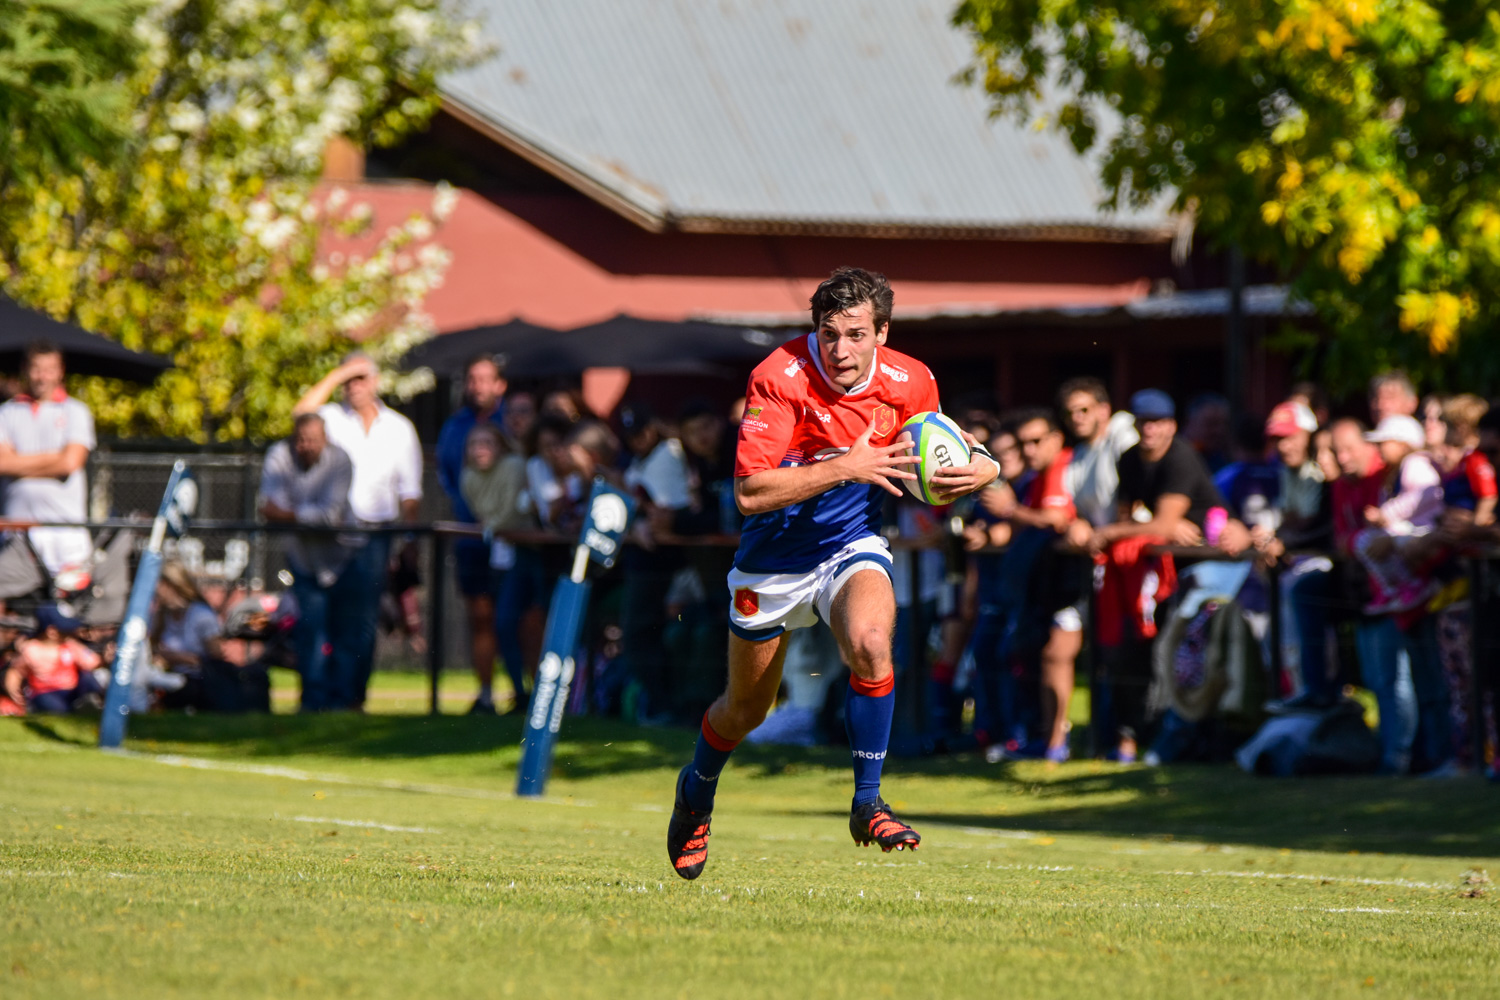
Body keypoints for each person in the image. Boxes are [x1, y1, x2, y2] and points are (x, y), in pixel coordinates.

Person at [666, 267, 999, 879]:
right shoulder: (778, 376)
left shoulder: (912, 379)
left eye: (854, 334)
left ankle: (868, 801)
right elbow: (749, 492)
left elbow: (944, 449)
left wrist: (983, 469)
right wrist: (848, 465)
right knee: (747, 710)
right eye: (828, 333)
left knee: (873, 644)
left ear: (881, 333)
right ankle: (696, 790)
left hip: (850, 546)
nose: (839, 349)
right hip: (770, 564)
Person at [293, 352, 423, 710]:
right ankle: (317, 698)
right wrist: (339, 373)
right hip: (331, 533)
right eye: (350, 380)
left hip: (376, 535)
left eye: (361, 378)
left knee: (362, 621)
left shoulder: (399, 428)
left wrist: (409, 541)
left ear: (377, 382)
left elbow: (409, 492)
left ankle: (352, 697)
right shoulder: (332, 419)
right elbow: (301, 413)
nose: (355, 386)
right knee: (321, 618)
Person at [258, 412, 356, 711]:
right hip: (303, 559)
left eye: (313, 440)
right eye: (300, 439)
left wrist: (291, 515)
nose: (306, 446)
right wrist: (309, 516)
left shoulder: (339, 460)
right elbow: (268, 507)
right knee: (311, 631)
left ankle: (344, 700)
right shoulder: (279, 457)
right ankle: (313, 702)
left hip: (344, 557)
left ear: (325, 440)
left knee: (347, 632)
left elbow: (330, 516)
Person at [436, 354, 509, 716]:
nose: (478, 386)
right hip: (471, 538)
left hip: (511, 539)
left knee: (515, 617)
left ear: (500, 384)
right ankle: (485, 693)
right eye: (472, 379)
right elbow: (448, 475)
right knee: (480, 616)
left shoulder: (510, 421)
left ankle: (525, 693)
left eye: (485, 379)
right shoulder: (454, 427)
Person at [0, 341, 95, 603]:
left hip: (66, 536)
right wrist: (53, 459)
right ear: (25, 370)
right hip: (16, 537)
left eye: (49, 369)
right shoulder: (8, 412)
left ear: (60, 371)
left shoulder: (76, 411)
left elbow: (69, 463)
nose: (42, 376)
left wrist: (18, 463)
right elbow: (1, 463)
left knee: (71, 614)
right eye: (36, 369)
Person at [460, 423, 536, 713]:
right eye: (474, 443)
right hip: (499, 555)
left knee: (518, 624)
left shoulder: (514, 466)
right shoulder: (468, 476)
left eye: (487, 442)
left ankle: (530, 694)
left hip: (527, 553)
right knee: (498, 623)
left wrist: (493, 527)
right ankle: (518, 693)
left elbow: (507, 517)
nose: (480, 449)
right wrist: (493, 527)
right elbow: (488, 517)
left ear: (500, 446)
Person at [1353, 415, 1443, 614]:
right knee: (1364, 541)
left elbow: (1427, 493)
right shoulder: (1394, 472)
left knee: (1389, 540)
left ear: (1403, 444)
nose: (1379, 448)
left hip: (1424, 529)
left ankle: (1413, 584)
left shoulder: (1416, 463)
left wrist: (1386, 515)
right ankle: (1393, 588)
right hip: (1407, 529)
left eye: (1384, 443)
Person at [3, 604, 102, 714]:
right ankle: (63, 711)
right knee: (51, 705)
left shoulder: (70, 645)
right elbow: (16, 671)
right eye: (65, 629)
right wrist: (13, 689)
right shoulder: (31, 649)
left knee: (87, 677)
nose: (70, 632)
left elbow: (93, 662)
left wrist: (104, 659)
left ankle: (90, 703)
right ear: (51, 632)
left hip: (71, 690)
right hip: (46, 692)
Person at [152, 561, 224, 708]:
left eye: (158, 584)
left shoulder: (201, 615)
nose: (154, 590)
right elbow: (153, 649)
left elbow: (216, 659)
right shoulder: (162, 616)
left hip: (198, 682)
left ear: (171, 584)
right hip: (168, 677)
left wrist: (176, 658)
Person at [1182, 392, 1231, 473]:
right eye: (1211, 423)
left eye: (1225, 424)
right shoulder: (1175, 457)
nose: (1219, 431)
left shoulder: (1225, 459)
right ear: (1190, 423)